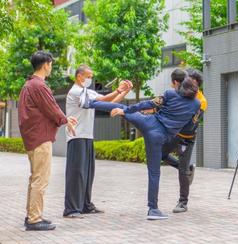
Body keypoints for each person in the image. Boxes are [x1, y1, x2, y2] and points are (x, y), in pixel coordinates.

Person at [82, 70, 200, 220]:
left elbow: (148, 103)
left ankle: (88, 103)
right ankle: (153, 209)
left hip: (148, 122)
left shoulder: (170, 94)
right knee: (154, 173)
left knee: (122, 108)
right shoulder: (196, 105)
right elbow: (190, 126)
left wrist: (127, 111)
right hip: (159, 137)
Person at [63, 65, 132, 218]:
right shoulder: (75, 91)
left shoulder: (88, 92)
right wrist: (119, 89)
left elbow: (109, 103)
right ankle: (71, 209)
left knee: (88, 173)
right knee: (76, 173)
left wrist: (125, 91)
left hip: (87, 136)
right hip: (76, 136)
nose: (91, 79)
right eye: (88, 76)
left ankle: (86, 205)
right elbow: (100, 100)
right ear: (79, 76)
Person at [18, 51, 77, 231]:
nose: (51, 67)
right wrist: (65, 120)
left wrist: (64, 119)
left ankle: (32, 215)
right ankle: (35, 219)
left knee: (35, 178)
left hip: (32, 137)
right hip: (40, 138)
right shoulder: (39, 85)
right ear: (46, 64)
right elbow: (51, 107)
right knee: (40, 179)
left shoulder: (28, 85)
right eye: (50, 64)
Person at [162, 69, 207, 213]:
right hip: (175, 134)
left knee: (182, 170)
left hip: (187, 138)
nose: (187, 83)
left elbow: (190, 125)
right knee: (161, 154)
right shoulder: (182, 93)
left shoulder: (201, 101)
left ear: (196, 84)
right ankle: (188, 170)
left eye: (190, 81)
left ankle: (183, 202)